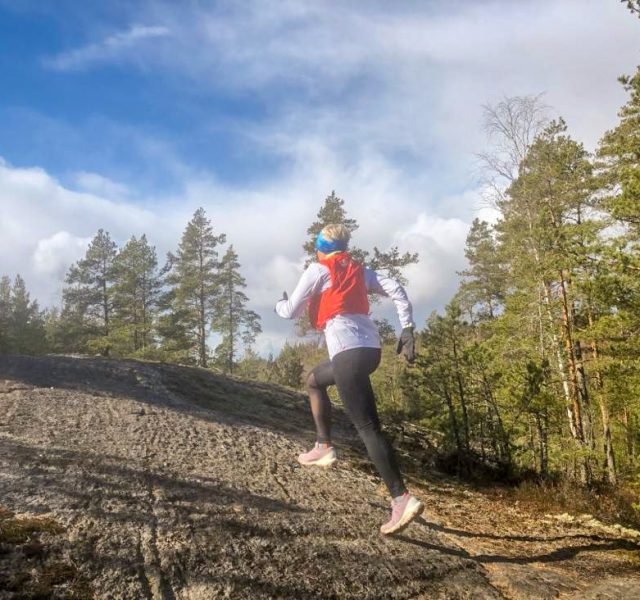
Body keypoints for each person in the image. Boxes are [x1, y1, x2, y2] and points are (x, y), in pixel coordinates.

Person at [275, 223, 423, 535]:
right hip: (370, 351)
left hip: (347, 354)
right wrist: (407, 326)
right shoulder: (361, 271)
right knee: (314, 380)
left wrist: (278, 304)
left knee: (368, 428)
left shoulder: (318, 270)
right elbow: (396, 288)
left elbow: (290, 312)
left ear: (321, 247)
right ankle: (323, 445)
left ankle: (401, 499)